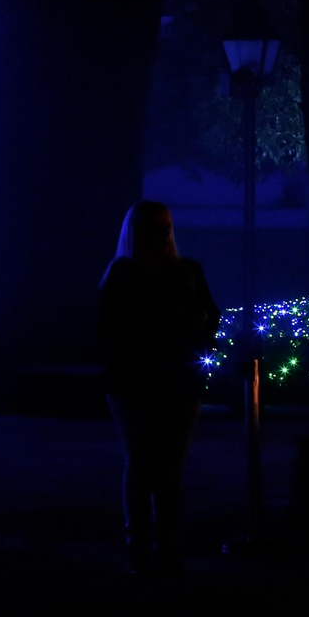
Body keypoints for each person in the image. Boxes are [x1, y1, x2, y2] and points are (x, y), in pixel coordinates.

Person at [97, 200, 219, 573]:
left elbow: (211, 314)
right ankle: (144, 546)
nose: (164, 234)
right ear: (138, 232)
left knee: (169, 465)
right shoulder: (123, 274)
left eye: (167, 226)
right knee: (146, 461)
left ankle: (162, 545)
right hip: (137, 379)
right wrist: (162, 322)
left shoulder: (186, 271)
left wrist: (198, 323)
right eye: (155, 228)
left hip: (178, 377)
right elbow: (109, 330)